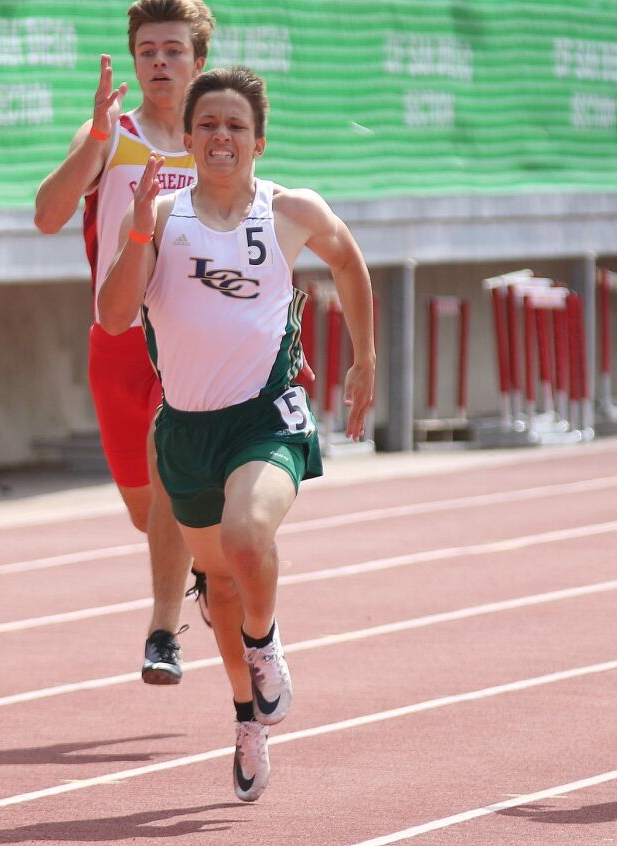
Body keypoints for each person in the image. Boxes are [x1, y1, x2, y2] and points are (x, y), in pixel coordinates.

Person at [98, 66, 375, 801]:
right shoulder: (163, 218)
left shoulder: (290, 211)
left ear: (259, 138)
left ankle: (266, 641)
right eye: (209, 125)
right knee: (218, 585)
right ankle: (246, 716)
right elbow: (117, 315)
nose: (222, 137)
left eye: (236, 126)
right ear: (188, 138)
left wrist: (365, 357)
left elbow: (347, 261)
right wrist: (135, 232)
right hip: (187, 433)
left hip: (267, 416)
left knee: (249, 540)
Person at [34, 0, 216, 685]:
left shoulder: (214, 136)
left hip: (192, 341)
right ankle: (203, 567)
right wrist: (94, 139)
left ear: (197, 61)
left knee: (170, 470)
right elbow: (48, 216)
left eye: (173, 50)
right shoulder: (112, 135)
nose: (160, 62)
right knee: (150, 517)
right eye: (148, 52)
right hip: (117, 340)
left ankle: (162, 633)